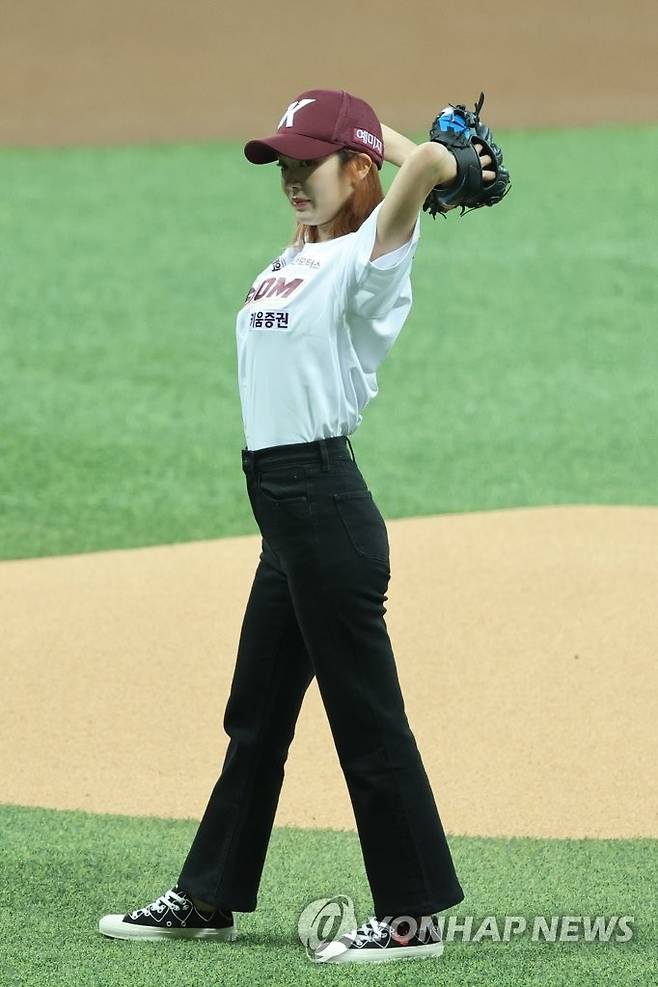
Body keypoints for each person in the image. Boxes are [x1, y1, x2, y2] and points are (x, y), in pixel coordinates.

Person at [99, 87, 495, 965]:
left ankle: (412, 916)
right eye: (283, 162)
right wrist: (355, 136)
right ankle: (209, 895)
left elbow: (430, 163)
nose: (290, 178)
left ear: (356, 170)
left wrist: (438, 159)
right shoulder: (299, 254)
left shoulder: (370, 254)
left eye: (307, 163)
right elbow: (373, 153)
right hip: (286, 521)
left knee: (365, 716)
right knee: (257, 714)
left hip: (325, 507)